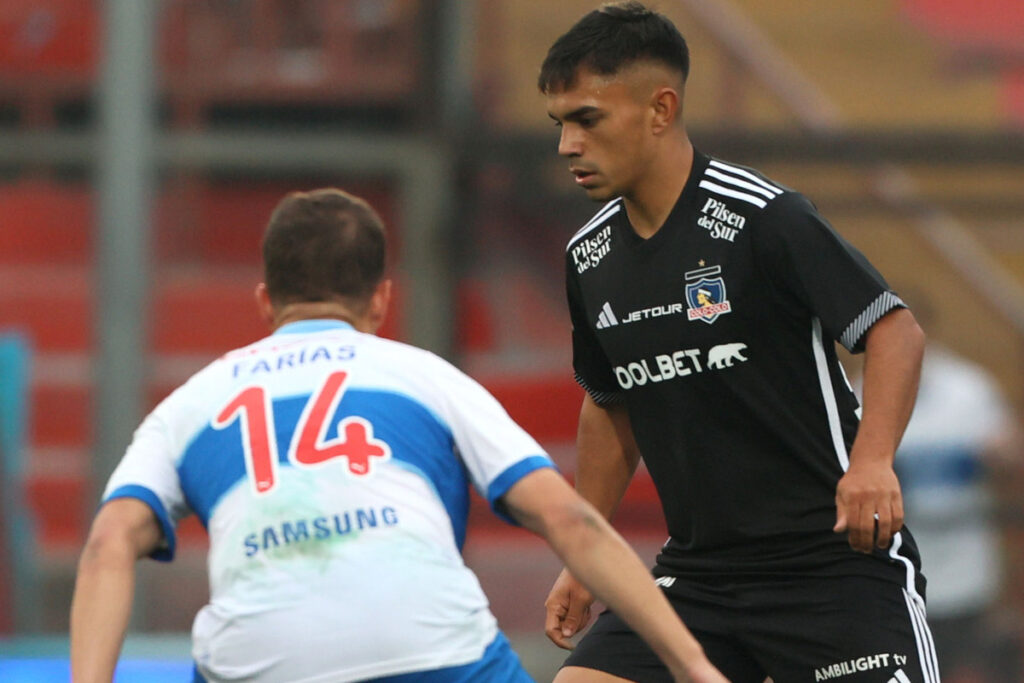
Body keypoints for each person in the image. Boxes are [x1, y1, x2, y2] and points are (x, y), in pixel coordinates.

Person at [69, 188, 727, 683]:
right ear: (381, 300)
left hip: (259, 664)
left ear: (266, 301)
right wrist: (695, 667)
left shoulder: (190, 402)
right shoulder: (424, 377)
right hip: (433, 653)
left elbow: (106, 545)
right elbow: (569, 520)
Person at [539, 3, 936, 682]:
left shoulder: (763, 218)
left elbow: (893, 329)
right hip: (699, 579)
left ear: (660, 110)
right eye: (561, 123)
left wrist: (872, 461)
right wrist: (585, 552)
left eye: (587, 119)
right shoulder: (589, 255)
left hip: (830, 568)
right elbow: (610, 403)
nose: (567, 144)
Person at [892, 295, 1023, 682]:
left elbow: (1011, 465)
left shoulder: (970, 390)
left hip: (967, 568)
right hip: (898, 571)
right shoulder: (858, 394)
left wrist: (1005, 455)